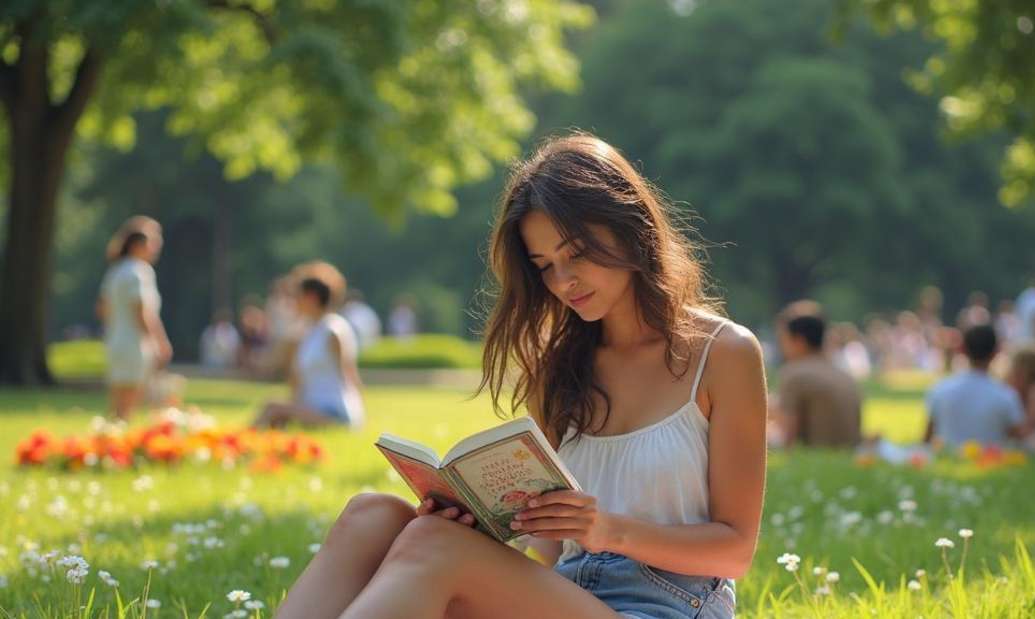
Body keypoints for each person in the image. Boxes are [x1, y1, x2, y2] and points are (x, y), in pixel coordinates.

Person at [275, 134, 765, 619]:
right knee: (373, 515)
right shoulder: (559, 368)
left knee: (434, 545)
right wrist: (476, 528)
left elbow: (735, 551)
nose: (562, 280)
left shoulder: (723, 353)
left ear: (628, 226)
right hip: (568, 595)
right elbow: (547, 557)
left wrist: (607, 530)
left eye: (575, 252)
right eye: (545, 265)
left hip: (668, 607)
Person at [253, 265, 364, 429]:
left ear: (311, 297)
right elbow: (294, 381)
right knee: (275, 412)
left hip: (336, 412)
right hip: (314, 408)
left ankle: (241, 441)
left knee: (272, 408)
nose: (293, 302)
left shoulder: (333, 330)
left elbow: (348, 374)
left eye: (297, 296)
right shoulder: (309, 331)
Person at [97, 217, 172, 421]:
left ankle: (107, 443)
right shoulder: (139, 272)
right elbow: (142, 312)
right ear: (138, 245)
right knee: (128, 407)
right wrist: (159, 341)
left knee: (117, 406)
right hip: (135, 344)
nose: (156, 249)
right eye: (153, 243)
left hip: (115, 341)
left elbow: (102, 309)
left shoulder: (115, 271)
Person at [770, 301, 862, 448]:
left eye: (783, 339)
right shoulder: (845, 376)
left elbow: (786, 438)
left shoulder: (793, 374)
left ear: (799, 341)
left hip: (817, 453)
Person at [923, 325, 1024, 448]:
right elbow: (1020, 442)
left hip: (950, 459)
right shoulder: (1006, 396)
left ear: (962, 350)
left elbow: (926, 440)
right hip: (990, 462)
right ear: (996, 352)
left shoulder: (940, 389)